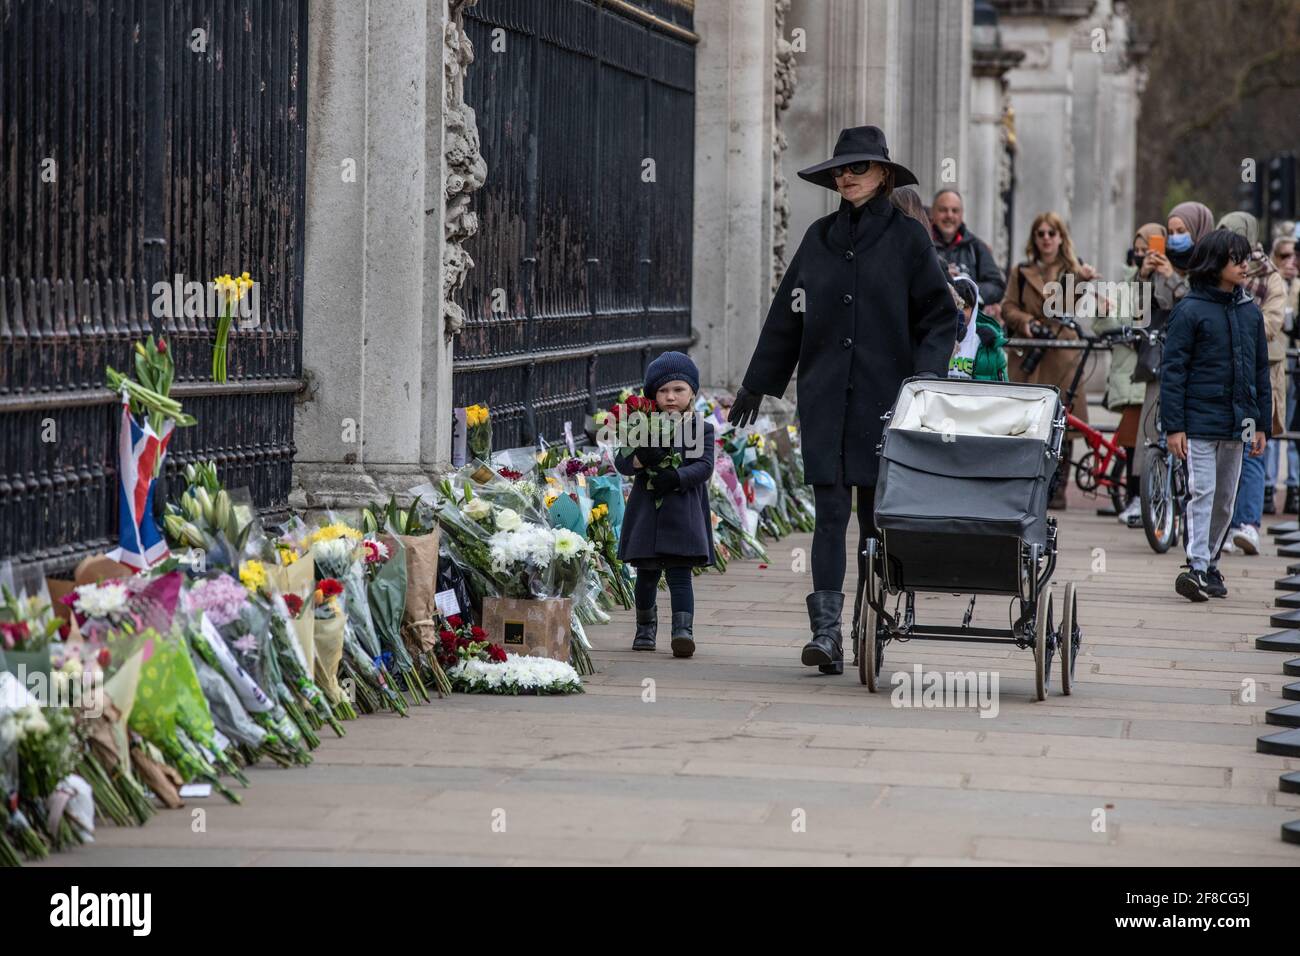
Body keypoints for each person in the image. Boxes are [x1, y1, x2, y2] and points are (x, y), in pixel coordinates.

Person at [728, 125, 957, 675]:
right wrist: (758, 382)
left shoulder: (907, 239)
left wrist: (923, 383)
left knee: (875, 518)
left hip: (887, 400)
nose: (846, 178)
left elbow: (939, 316)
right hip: (827, 397)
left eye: (858, 169)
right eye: (840, 170)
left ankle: (869, 623)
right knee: (829, 514)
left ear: (882, 174)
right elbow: (787, 316)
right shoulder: (818, 237)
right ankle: (826, 634)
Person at [1160, 229, 1269, 602]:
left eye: (1244, 258)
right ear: (1215, 263)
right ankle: (1197, 566)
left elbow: (1259, 373)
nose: (1243, 265)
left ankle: (1211, 561)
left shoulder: (1250, 311)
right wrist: (1174, 427)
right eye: (1235, 258)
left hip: (1238, 423)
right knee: (1201, 492)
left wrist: (1261, 425)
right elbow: (1173, 371)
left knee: (1225, 498)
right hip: (1199, 422)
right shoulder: (1188, 310)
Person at [615, 351, 716, 658]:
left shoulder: (701, 429)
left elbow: (705, 466)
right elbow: (622, 463)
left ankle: (682, 631)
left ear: (692, 394)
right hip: (647, 514)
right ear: (652, 395)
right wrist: (641, 456)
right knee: (645, 574)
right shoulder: (642, 426)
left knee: (679, 575)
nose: (670, 397)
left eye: (678, 390)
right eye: (663, 391)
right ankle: (645, 629)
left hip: (682, 514)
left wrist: (675, 477)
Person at [1001, 211, 1100, 508]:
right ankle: (1026, 487)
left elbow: (1066, 307)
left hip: (1061, 356)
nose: (1046, 238)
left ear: (1061, 237)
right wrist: (1026, 322)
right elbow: (1007, 307)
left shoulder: (1073, 270)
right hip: (1029, 355)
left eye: (1051, 233)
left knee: (1064, 423)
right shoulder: (1021, 271)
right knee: (1026, 423)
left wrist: (1080, 282)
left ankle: (1057, 491)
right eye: (1040, 233)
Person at [1136, 200, 1216, 503]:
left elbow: (1195, 305)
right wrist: (1143, 277)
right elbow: (1140, 312)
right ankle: (1151, 494)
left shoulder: (1209, 263)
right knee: (1154, 424)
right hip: (1163, 353)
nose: (1175, 238)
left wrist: (1172, 276)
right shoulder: (1161, 261)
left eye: (1181, 230)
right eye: (1170, 232)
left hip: (1199, 355)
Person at [1217, 213, 1288, 553]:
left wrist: (1234, 327)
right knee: (1224, 451)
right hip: (1222, 375)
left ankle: (1247, 523)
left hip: (1258, 377)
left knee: (1253, 448)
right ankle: (1224, 525)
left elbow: (1272, 323)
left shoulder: (1271, 278)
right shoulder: (1214, 273)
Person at [1094, 223, 1164, 526]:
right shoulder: (1124, 287)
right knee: (1135, 443)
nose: (1139, 255)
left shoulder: (1167, 284)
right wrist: (1103, 311)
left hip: (1155, 370)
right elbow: (1107, 326)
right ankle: (1137, 498)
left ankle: (1147, 499)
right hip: (1132, 375)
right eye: (1136, 249)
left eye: (1145, 249)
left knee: (1149, 442)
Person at [930, 189, 1007, 312]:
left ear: (961, 215)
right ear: (932, 214)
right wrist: (941, 276)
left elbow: (997, 286)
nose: (949, 215)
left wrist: (967, 288)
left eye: (954, 211)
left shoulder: (976, 246)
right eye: (943, 210)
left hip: (969, 323)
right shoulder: (924, 245)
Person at [1269, 235, 1299, 513]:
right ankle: (1268, 487)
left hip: (1295, 369)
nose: (1290, 263)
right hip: (1276, 365)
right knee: (1271, 428)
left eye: (1294, 257)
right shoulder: (1269, 283)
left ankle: (1293, 488)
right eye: (1284, 257)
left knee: (1293, 431)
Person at [948, 275, 1007, 381]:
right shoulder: (932, 340)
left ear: (974, 309)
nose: (959, 312)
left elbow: (1004, 389)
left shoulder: (989, 346)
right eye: (955, 305)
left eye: (965, 307)